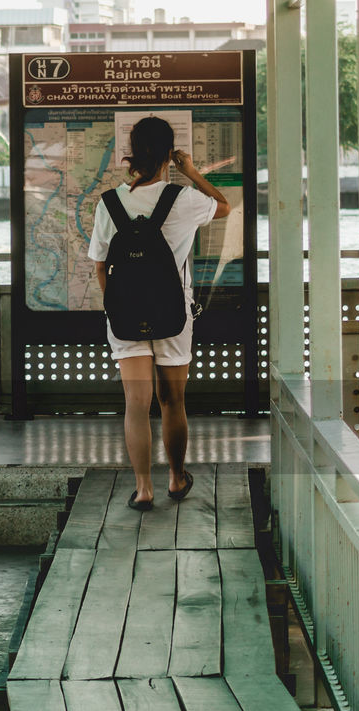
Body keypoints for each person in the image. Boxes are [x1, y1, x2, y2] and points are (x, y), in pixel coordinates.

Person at [87, 117, 231, 510]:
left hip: (125, 316)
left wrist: (118, 304)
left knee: (136, 402)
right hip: (173, 314)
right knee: (172, 400)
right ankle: (176, 477)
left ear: (132, 153)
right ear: (169, 152)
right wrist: (191, 171)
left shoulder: (110, 203)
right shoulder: (183, 199)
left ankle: (143, 487)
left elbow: (100, 265)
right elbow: (224, 206)